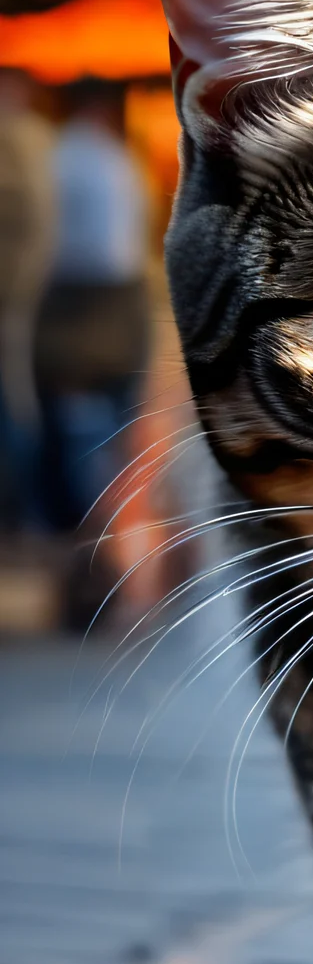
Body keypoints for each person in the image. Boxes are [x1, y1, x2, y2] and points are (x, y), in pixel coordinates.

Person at [35, 85, 150, 586]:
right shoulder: (120, 162)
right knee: (107, 435)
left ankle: (91, 552)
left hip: (75, 308)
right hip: (121, 308)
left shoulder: (61, 158)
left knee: (79, 430)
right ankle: (106, 547)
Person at [0, 68, 55, 529]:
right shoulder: (41, 138)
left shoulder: (18, 140)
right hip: (34, 292)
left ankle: (25, 514)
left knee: (17, 405)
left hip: (16, 296)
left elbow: (31, 226)